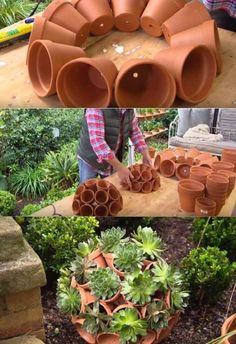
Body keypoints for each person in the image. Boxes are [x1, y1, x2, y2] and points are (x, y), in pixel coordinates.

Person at [78, 108, 152, 186]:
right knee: (86, 190)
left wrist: (145, 153)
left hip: (111, 158)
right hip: (90, 159)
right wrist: (119, 167)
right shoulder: (96, 107)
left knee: (111, 188)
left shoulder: (129, 109)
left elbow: (134, 131)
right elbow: (98, 142)